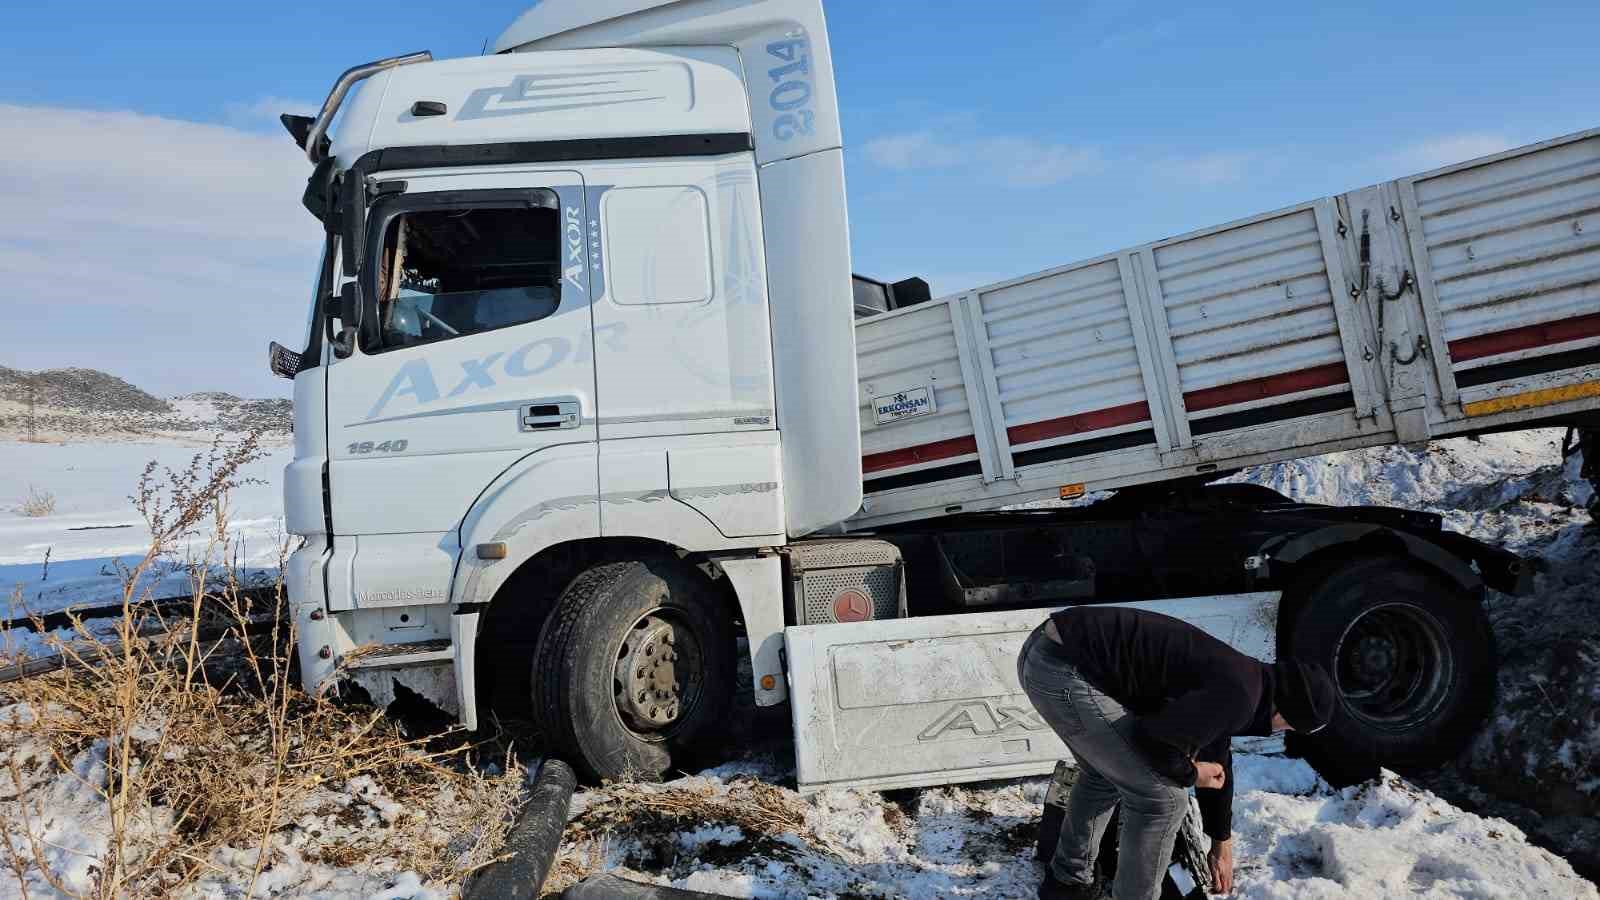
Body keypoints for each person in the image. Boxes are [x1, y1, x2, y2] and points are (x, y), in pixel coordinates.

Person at [1018, 606, 1337, 900]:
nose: (1284, 732)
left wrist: (1220, 840)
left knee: (1105, 773)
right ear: (1288, 714)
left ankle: (1067, 884)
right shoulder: (1240, 695)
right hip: (1064, 668)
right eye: (1292, 727)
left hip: (1047, 652)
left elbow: (1217, 754)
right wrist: (1193, 774)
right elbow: (1153, 740)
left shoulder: (1248, 682)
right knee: (1163, 799)